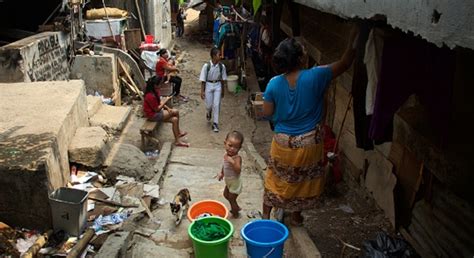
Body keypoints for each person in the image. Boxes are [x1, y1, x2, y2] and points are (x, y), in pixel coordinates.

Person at [261, 27, 359, 225]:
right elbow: (346, 62)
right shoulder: (317, 76)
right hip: (309, 143)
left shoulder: (273, 84)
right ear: (299, 59)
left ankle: (265, 219)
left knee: (275, 179)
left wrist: (284, 113)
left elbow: (267, 113)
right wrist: (355, 34)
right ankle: (296, 217)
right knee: (303, 181)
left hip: (282, 143)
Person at [143, 76, 190, 147]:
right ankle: (178, 133)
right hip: (152, 115)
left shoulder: (156, 91)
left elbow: (159, 102)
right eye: (159, 84)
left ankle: (177, 139)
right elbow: (157, 109)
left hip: (156, 112)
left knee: (175, 119)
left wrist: (168, 108)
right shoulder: (150, 96)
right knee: (176, 112)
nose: (161, 86)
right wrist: (165, 101)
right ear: (155, 85)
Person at [199, 47, 227, 133]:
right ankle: (208, 112)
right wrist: (202, 91)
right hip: (209, 85)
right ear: (214, 56)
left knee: (216, 104)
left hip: (217, 85)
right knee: (209, 105)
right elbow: (203, 80)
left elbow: (223, 79)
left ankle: (215, 123)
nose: (220, 56)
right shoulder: (206, 66)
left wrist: (223, 90)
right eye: (219, 55)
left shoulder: (222, 67)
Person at [217, 130, 244, 218]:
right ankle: (236, 206)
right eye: (230, 145)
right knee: (226, 195)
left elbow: (238, 170)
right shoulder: (226, 155)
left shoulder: (237, 158)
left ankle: (235, 211)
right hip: (229, 181)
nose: (232, 149)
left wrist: (232, 162)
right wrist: (222, 173)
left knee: (232, 198)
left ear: (239, 148)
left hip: (235, 182)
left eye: (235, 147)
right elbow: (224, 165)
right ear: (225, 143)